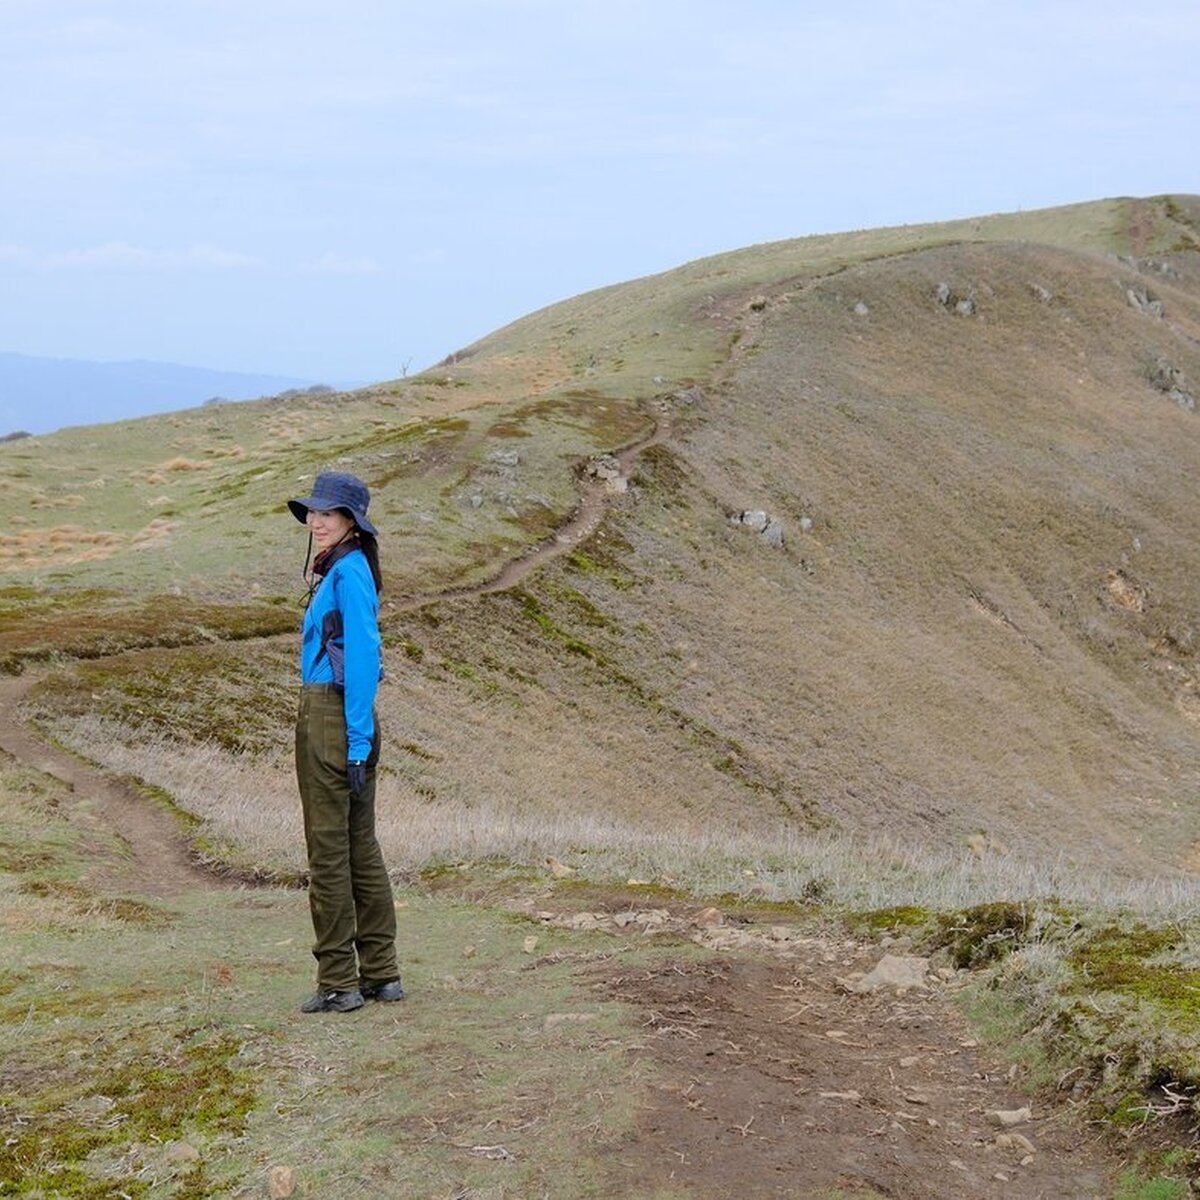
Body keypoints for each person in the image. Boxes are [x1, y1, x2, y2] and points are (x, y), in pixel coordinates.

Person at [287, 471, 404, 1013]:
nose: (315, 521)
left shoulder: (349, 572)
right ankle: (380, 975)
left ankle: (339, 982)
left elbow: (363, 657)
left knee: (331, 854)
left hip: (333, 719)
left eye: (327, 514)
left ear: (350, 521)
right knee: (359, 846)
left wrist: (356, 742)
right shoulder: (347, 568)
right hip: (345, 720)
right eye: (313, 512)